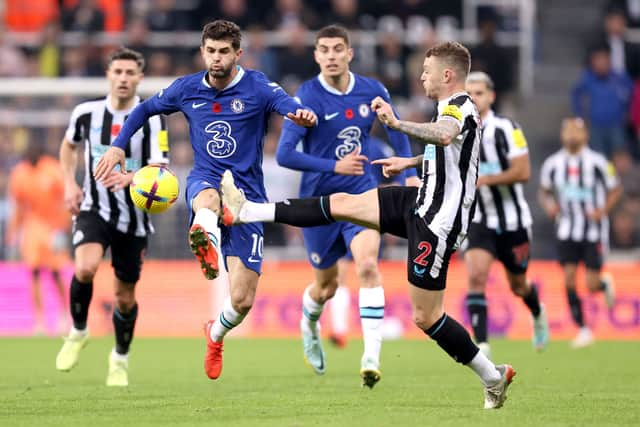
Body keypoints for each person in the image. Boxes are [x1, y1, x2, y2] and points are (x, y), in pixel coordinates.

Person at [220, 41, 516, 409]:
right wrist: (407, 165)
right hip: (418, 201)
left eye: (426, 71)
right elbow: (449, 156)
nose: (421, 76)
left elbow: (443, 135)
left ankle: (492, 376)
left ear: (447, 75)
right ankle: (247, 210)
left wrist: (394, 122)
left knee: (426, 316)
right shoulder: (447, 107)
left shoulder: (459, 107)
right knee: (344, 204)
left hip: (438, 222)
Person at [93, 20, 317, 380]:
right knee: (208, 198)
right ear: (203, 51)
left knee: (242, 300)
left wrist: (298, 113)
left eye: (224, 51)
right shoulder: (186, 88)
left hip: (248, 199)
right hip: (206, 178)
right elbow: (143, 110)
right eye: (210, 51)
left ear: (237, 54)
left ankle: (215, 335)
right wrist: (119, 147)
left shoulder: (257, 86)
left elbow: (286, 103)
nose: (216, 58)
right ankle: (206, 237)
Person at [274, 24, 418, 388]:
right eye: (324, 49)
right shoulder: (306, 97)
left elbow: (395, 128)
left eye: (339, 49)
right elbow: (285, 154)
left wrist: (406, 173)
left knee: (368, 265)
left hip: (361, 197)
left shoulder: (373, 90)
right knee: (326, 288)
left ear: (350, 53)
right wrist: (332, 166)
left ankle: (371, 355)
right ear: (316, 56)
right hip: (320, 203)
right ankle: (309, 324)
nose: (332, 55)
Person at [56, 47, 169, 387]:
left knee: (124, 297)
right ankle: (77, 331)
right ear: (108, 74)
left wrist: (129, 178)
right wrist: (69, 184)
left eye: (130, 73)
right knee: (85, 267)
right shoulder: (85, 113)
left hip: (133, 218)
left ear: (140, 78)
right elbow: (68, 146)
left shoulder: (152, 118)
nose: (123, 78)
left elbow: (159, 169)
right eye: (117, 72)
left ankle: (119, 357)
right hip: (94, 208)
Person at [463, 71, 549, 357]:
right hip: (478, 220)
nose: (474, 98)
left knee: (518, 285)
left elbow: (523, 171)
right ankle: (483, 345)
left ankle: (537, 312)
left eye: (479, 93)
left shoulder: (506, 128)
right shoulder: (458, 130)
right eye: (469, 93)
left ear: (491, 96)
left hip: (513, 221)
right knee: (476, 276)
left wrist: (487, 179)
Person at [538, 118, 621, 348]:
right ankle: (583, 329)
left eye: (577, 130)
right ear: (562, 134)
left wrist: (602, 210)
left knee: (591, 283)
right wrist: (549, 206)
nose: (572, 134)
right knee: (569, 278)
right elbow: (544, 192)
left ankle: (602, 285)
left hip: (592, 231)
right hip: (566, 229)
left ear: (586, 135)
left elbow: (615, 189)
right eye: (568, 130)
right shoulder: (553, 164)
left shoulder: (598, 162)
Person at [7, 141, 70, 335]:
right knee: (33, 272)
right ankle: (40, 320)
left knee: (55, 272)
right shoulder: (20, 173)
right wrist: (13, 232)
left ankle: (65, 314)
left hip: (53, 227)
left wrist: (63, 228)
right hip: (33, 228)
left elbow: (66, 198)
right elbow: (17, 206)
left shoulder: (52, 169)